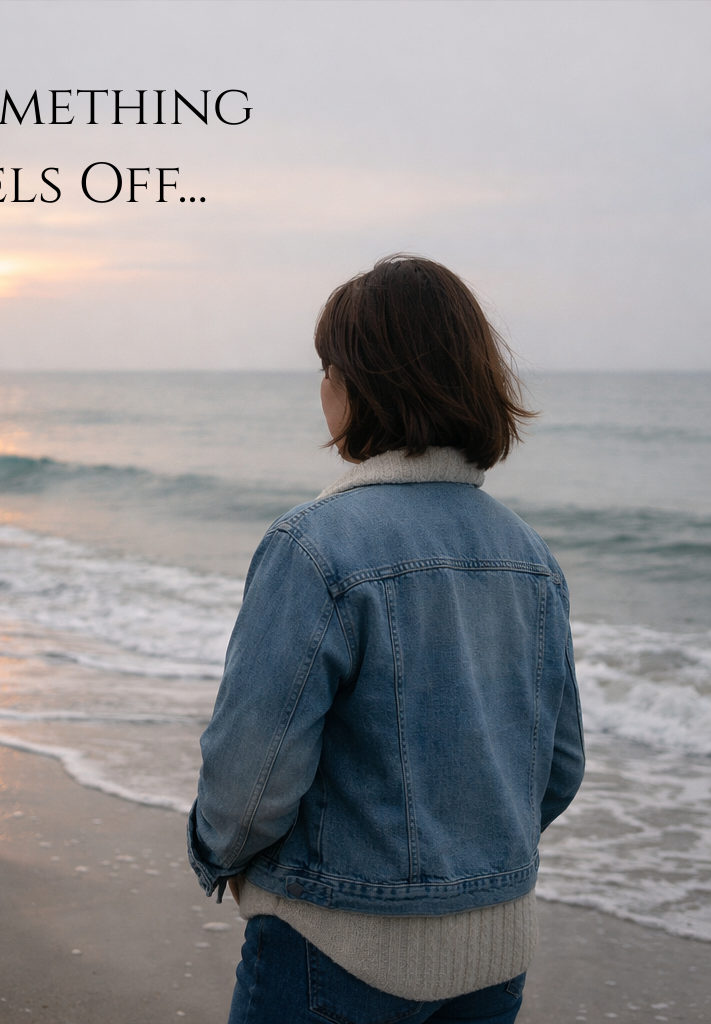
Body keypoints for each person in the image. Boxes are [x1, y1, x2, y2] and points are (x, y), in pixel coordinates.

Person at [187, 255, 585, 1024]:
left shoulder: (314, 546)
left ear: (358, 384)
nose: (323, 387)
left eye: (328, 368)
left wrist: (218, 855)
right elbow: (558, 766)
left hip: (336, 944)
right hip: (494, 955)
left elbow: (253, 774)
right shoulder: (531, 557)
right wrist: (467, 864)